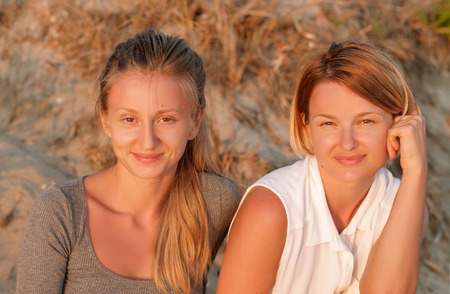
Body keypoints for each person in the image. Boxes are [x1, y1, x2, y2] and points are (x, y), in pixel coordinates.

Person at [16, 29, 239, 294]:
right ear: (105, 120)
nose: (147, 141)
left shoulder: (214, 203)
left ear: (195, 123)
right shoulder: (61, 213)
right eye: (129, 119)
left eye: (166, 119)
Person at [216, 41, 428, 293]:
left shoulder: (403, 204)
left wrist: (415, 171)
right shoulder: (271, 210)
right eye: (328, 124)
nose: (347, 143)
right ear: (306, 124)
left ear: (401, 120)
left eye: (366, 121)